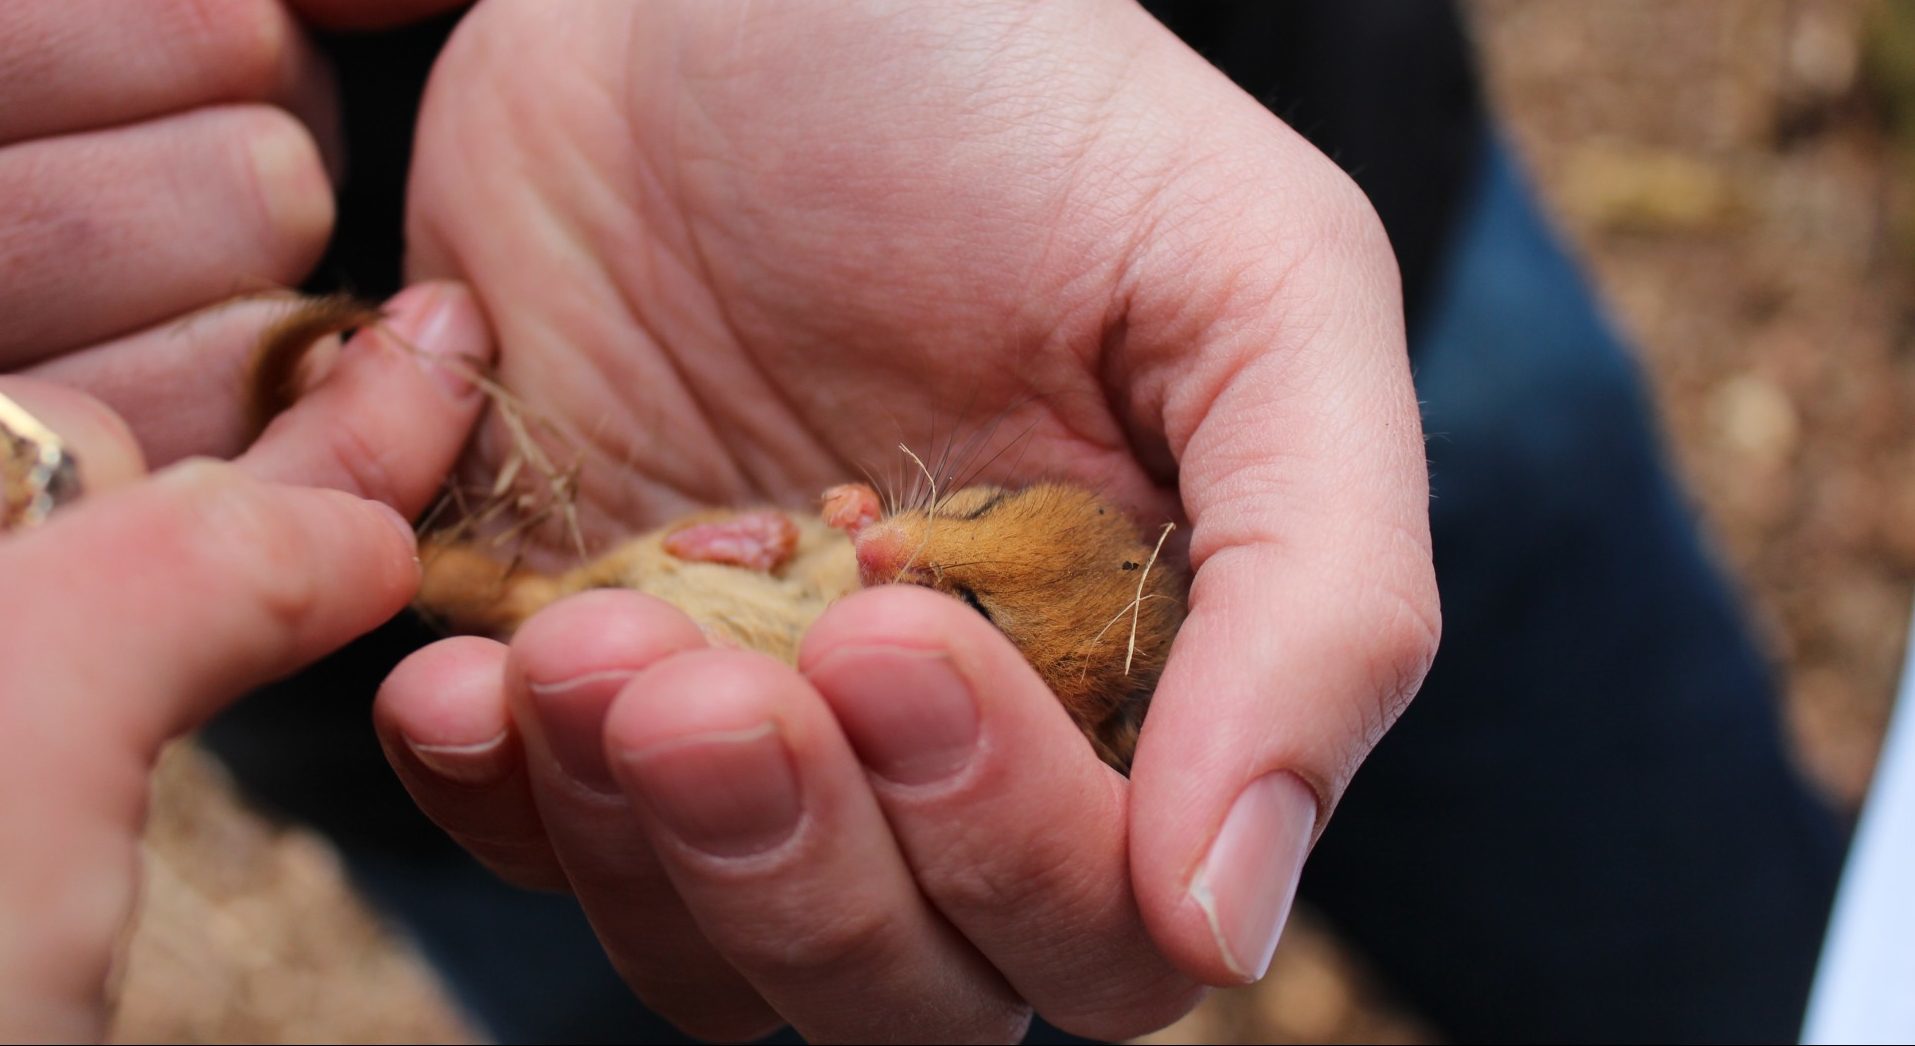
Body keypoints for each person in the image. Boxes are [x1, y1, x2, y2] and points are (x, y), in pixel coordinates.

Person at [1, 1, 1841, 1043]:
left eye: (947, 585)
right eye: (944, 533)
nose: (887, 543)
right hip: (345, 471)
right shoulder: (867, 554)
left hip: (1249, 214)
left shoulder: (1061, 601)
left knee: (1716, 951)